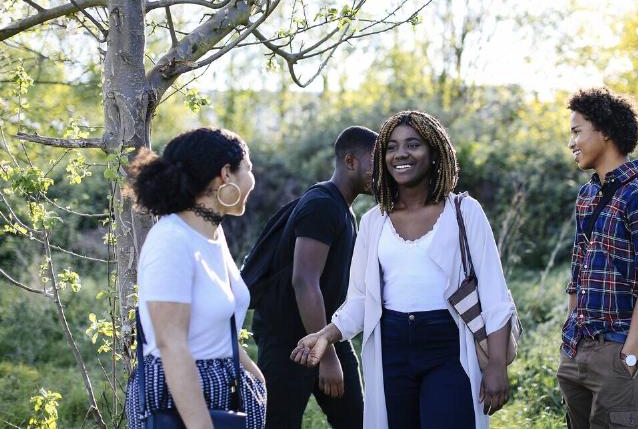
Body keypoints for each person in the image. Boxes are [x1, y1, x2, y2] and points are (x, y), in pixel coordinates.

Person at [290, 110, 516, 429]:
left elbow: (494, 294)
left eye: (413, 144)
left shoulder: (465, 212)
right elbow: (361, 300)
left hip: (448, 347)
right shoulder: (373, 222)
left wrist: (496, 366)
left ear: (434, 153)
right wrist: (326, 334)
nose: (401, 154)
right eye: (392, 147)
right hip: (392, 349)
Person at [124, 127, 266, 429]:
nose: (253, 181)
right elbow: (171, 345)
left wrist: (254, 376)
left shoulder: (213, 234)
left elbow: (217, 324)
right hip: (181, 397)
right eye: (249, 169)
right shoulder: (171, 240)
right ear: (226, 174)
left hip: (224, 390)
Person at [558, 88, 638, 429]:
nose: (571, 142)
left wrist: (631, 357)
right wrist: (570, 337)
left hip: (619, 348)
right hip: (579, 346)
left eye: (577, 131)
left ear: (605, 132)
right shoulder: (588, 193)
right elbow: (578, 269)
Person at [252, 126, 377, 429]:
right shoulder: (322, 205)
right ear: (350, 161)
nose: (383, 171)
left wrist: (328, 344)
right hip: (289, 344)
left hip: (325, 333)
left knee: (358, 421)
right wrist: (327, 356)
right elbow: (304, 281)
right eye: (376, 162)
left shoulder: (341, 208)